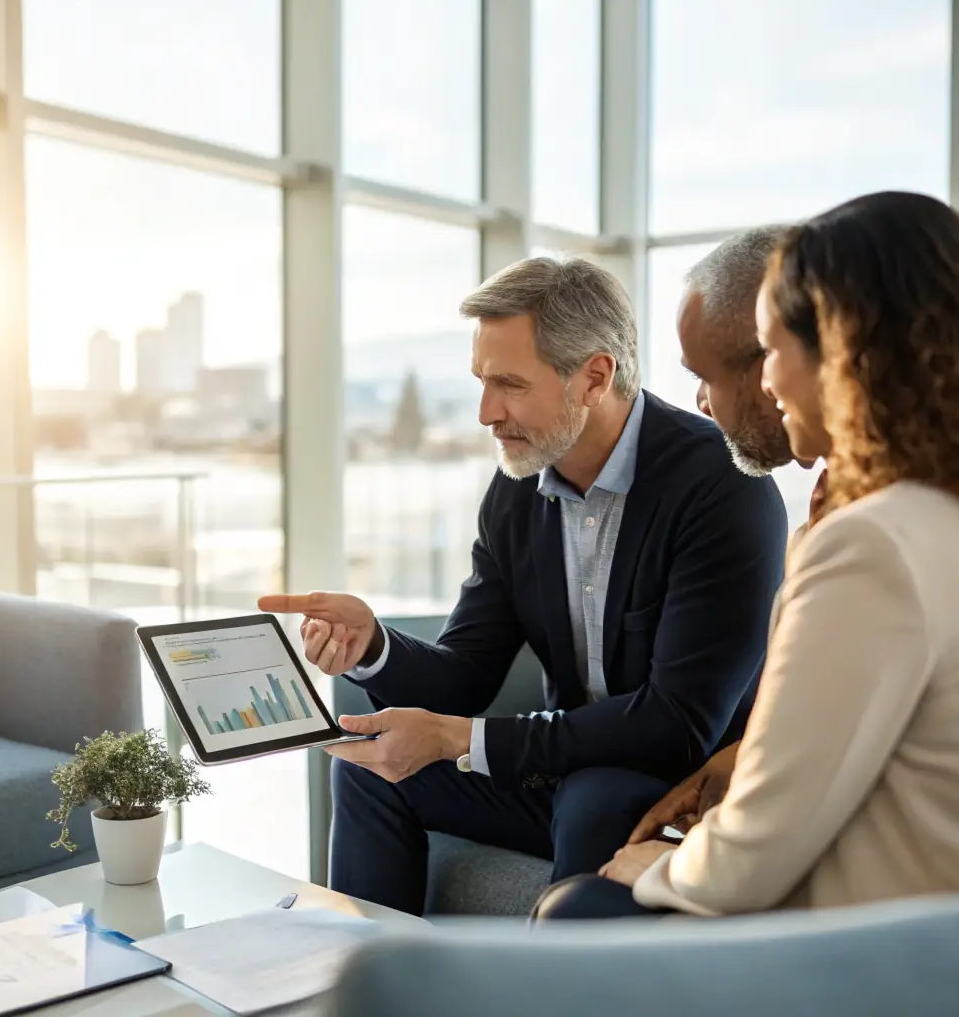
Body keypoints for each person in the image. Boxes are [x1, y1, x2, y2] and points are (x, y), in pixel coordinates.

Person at [535, 191, 959, 921]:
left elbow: (751, 860)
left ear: (841, 357)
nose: (768, 381)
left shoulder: (874, 543)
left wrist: (656, 868)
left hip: (936, 938)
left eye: (774, 351)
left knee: (581, 907)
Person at [260, 256, 787, 916]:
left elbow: (676, 725)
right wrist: (373, 646)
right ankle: (367, 969)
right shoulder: (515, 491)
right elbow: (467, 673)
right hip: (560, 764)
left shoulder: (720, 486)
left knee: (595, 796)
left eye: (508, 384)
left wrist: (462, 739)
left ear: (594, 378)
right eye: (481, 382)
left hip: (676, 780)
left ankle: (550, 970)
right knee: (369, 769)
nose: (486, 413)